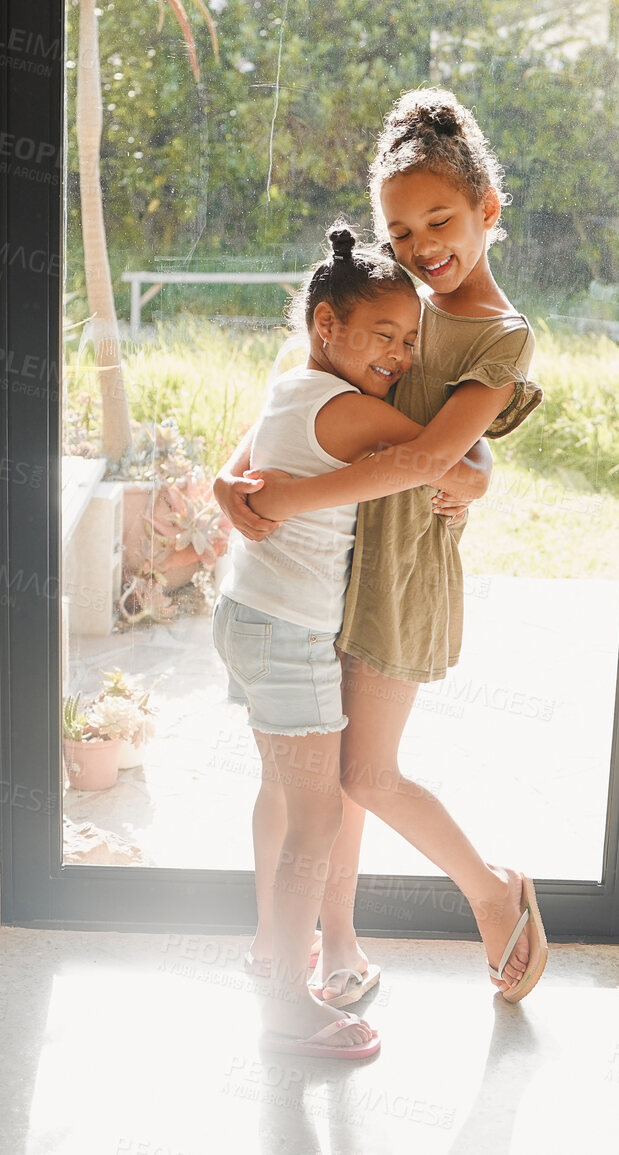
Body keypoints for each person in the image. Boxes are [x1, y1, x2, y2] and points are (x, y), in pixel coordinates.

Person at [218, 88, 549, 1010]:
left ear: (488, 210)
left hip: (399, 573)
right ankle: (332, 948)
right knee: (318, 783)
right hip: (323, 568)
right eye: (398, 230)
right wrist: (229, 475)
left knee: (363, 772)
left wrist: (296, 495)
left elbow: (435, 452)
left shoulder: (500, 333)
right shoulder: (396, 295)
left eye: (439, 220)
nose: (419, 246)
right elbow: (308, 392)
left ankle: (492, 891)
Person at [214, 222, 493, 1059]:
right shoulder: (346, 411)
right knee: (318, 819)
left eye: (410, 340)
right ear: (326, 324)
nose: (401, 356)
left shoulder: (292, 385)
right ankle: (285, 1007)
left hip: (248, 617)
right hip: (291, 634)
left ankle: (273, 945)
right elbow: (448, 464)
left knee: (282, 795)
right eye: (383, 335)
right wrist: (478, 474)